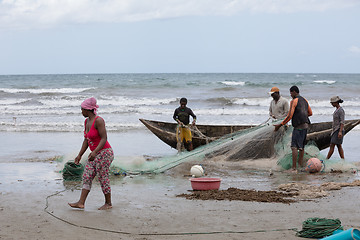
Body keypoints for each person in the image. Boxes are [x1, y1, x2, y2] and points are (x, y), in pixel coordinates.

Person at [68, 97, 114, 210]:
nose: (81, 111)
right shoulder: (86, 121)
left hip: (104, 152)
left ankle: (108, 203)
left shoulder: (99, 120)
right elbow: (86, 140)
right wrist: (80, 155)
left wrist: (95, 152)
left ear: (88, 109)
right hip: (94, 154)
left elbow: (104, 138)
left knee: (103, 177)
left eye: (82, 109)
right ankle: (81, 202)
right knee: (87, 176)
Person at [274, 86, 312, 172]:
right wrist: (301, 116)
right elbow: (310, 113)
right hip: (306, 125)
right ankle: (300, 166)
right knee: (301, 147)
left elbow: (289, 116)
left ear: (294, 92)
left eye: (291, 93)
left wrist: (280, 125)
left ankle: (294, 168)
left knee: (294, 147)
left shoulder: (294, 101)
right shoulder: (305, 100)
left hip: (298, 127)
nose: (290, 94)